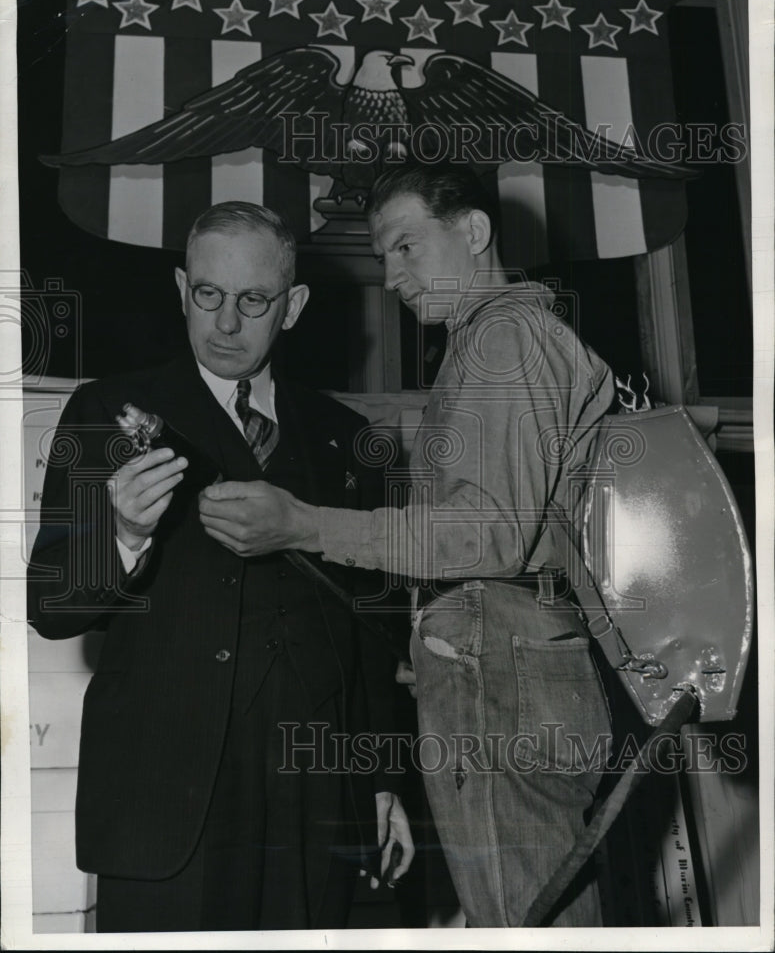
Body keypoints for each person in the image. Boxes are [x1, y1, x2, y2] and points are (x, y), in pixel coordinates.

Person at [197, 164, 616, 927]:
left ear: (475, 232)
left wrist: (306, 524)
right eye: (383, 255)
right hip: (508, 661)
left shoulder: (505, 339)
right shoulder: (488, 346)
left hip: (502, 670)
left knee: (524, 923)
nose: (389, 277)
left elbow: (484, 533)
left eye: (406, 248)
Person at [27, 201, 413, 932]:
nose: (226, 323)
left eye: (253, 300)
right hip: (165, 806)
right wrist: (122, 534)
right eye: (207, 295)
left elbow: (371, 628)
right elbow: (53, 607)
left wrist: (381, 783)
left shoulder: (349, 439)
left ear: (292, 306)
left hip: (314, 803)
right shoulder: (107, 411)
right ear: (181, 290)